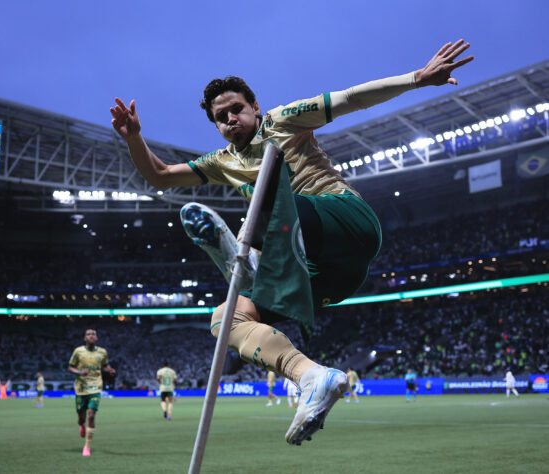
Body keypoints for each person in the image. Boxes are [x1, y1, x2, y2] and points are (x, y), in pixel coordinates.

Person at [111, 40, 473, 446]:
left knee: (264, 193)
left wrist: (417, 78)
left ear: (254, 107)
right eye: (220, 116)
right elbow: (160, 176)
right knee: (226, 318)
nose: (230, 119)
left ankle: (245, 259)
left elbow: (351, 97)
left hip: (343, 221)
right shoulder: (221, 161)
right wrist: (133, 139)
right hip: (329, 275)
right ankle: (312, 377)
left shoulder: (283, 120)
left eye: (236, 109)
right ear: (215, 125)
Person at [67, 328, 116, 457]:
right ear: (85, 338)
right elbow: (69, 367)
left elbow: (105, 365)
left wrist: (109, 370)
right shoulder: (78, 351)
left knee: (91, 415)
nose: (91, 336)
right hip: (81, 388)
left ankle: (87, 447)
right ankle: (82, 425)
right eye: (88, 334)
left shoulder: (102, 352)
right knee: (81, 418)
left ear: (97, 337)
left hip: (95, 386)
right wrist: (79, 372)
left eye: (93, 334)